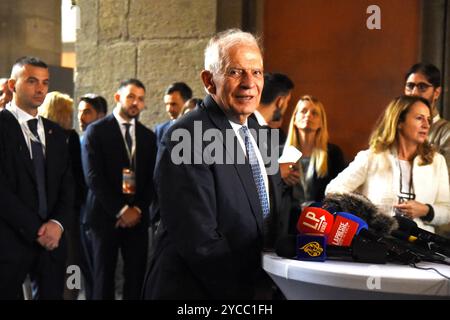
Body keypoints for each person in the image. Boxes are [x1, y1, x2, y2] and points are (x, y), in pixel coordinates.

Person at [143, 28, 282, 300]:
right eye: (235, 72)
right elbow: (199, 239)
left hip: (255, 285)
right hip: (197, 291)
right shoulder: (187, 135)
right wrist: (247, 294)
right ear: (208, 81)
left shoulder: (261, 133)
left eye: (256, 72)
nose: (249, 83)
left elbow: (269, 216)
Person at [0, 56, 74, 299]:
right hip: (9, 241)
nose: (40, 88)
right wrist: (36, 230)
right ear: (12, 85)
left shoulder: (56, 133)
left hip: (52, 242)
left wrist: (57, 224)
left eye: (45, 82)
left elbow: (67, 184)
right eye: (32, 81)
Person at [325, 95, 450, 233]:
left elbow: (447, 210)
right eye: (419, 118)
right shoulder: (371, 157)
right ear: (399, 122)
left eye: (428, 119)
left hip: (422, 247)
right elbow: (333, 190)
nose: (426, 125)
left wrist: (426, 210)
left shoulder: (436, 161)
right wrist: (369, 213)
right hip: (378, 244)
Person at [81, 78, 157, 299]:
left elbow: (152, 179)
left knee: (135, 278)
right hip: (105, 216)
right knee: (103, 278)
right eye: (131, 97)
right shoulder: (96, 132)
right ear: (118, 98)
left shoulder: (148, 137)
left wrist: (137, 210)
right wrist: (122, 210)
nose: (136, 103)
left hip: (138, 217)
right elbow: (93, 177)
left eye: (141, 99)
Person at [38, 91, 86, 300]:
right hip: (68, 216)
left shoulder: (34, 135)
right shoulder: (70, 137)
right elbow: (77, 179)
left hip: (39, 215)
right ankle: (70, 296)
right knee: (71, 263)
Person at [279, 95, 346, 234]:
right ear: (295, 119)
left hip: (321, 223)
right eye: (303, 111)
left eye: (314, 113)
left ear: (321, 122)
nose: (308, 115)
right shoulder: (279, 153)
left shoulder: (333, 153)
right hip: (286, 225)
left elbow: (341, 193)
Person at [404, 63, 450, 181]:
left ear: (436, 92)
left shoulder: (446, 132)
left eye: (422, 87)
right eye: (410, 86)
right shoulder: (396, 126)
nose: (414, 92)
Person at [154, 82, 192, 148]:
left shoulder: (200, 129)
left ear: (187, 104)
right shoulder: (160, 130)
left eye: (173, 104)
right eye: (166, 104)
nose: (168, 109)